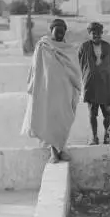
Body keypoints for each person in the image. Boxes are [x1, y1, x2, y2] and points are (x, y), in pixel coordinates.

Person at [21, 18, 82, 163]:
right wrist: (33, 87)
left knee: (64, 120)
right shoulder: (43, 46)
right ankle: (54, 152)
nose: (60, 34)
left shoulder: (69, 50)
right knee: (50, 121)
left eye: (63, 31)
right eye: (57, 30)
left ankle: (61, 148)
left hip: (65, 92)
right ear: (51, 30)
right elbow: (35, 70)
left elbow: (75, 71)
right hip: (47, 91)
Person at [78, 22, 110, 145]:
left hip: (105, 84)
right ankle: (94, 137)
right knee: (92, 113)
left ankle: (106, 136)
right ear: (90, 34)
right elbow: (80, 64)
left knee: (107, 113)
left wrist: (102, 72)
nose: (97, 36)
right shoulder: (84, 47)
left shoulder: (107, 47)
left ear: (102, 34)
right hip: (91, 85)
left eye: (99, 34)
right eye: (94, 34)